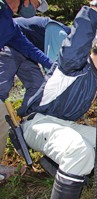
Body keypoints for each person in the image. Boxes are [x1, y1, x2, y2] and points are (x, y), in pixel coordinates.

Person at [19, 3, 97, 198]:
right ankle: (71, 168)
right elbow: (77, 41)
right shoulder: (73, 66)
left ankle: (57, 164)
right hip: (38, 122)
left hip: (64, 126)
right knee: (81, 151)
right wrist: (93, 11)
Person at [0, 0, 50, 184]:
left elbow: (31, 49)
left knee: (2, 114)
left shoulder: (9, 22)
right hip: (9, 55)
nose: (34, 10)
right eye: (36, 4)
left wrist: (54, 67)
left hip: (19, 50)